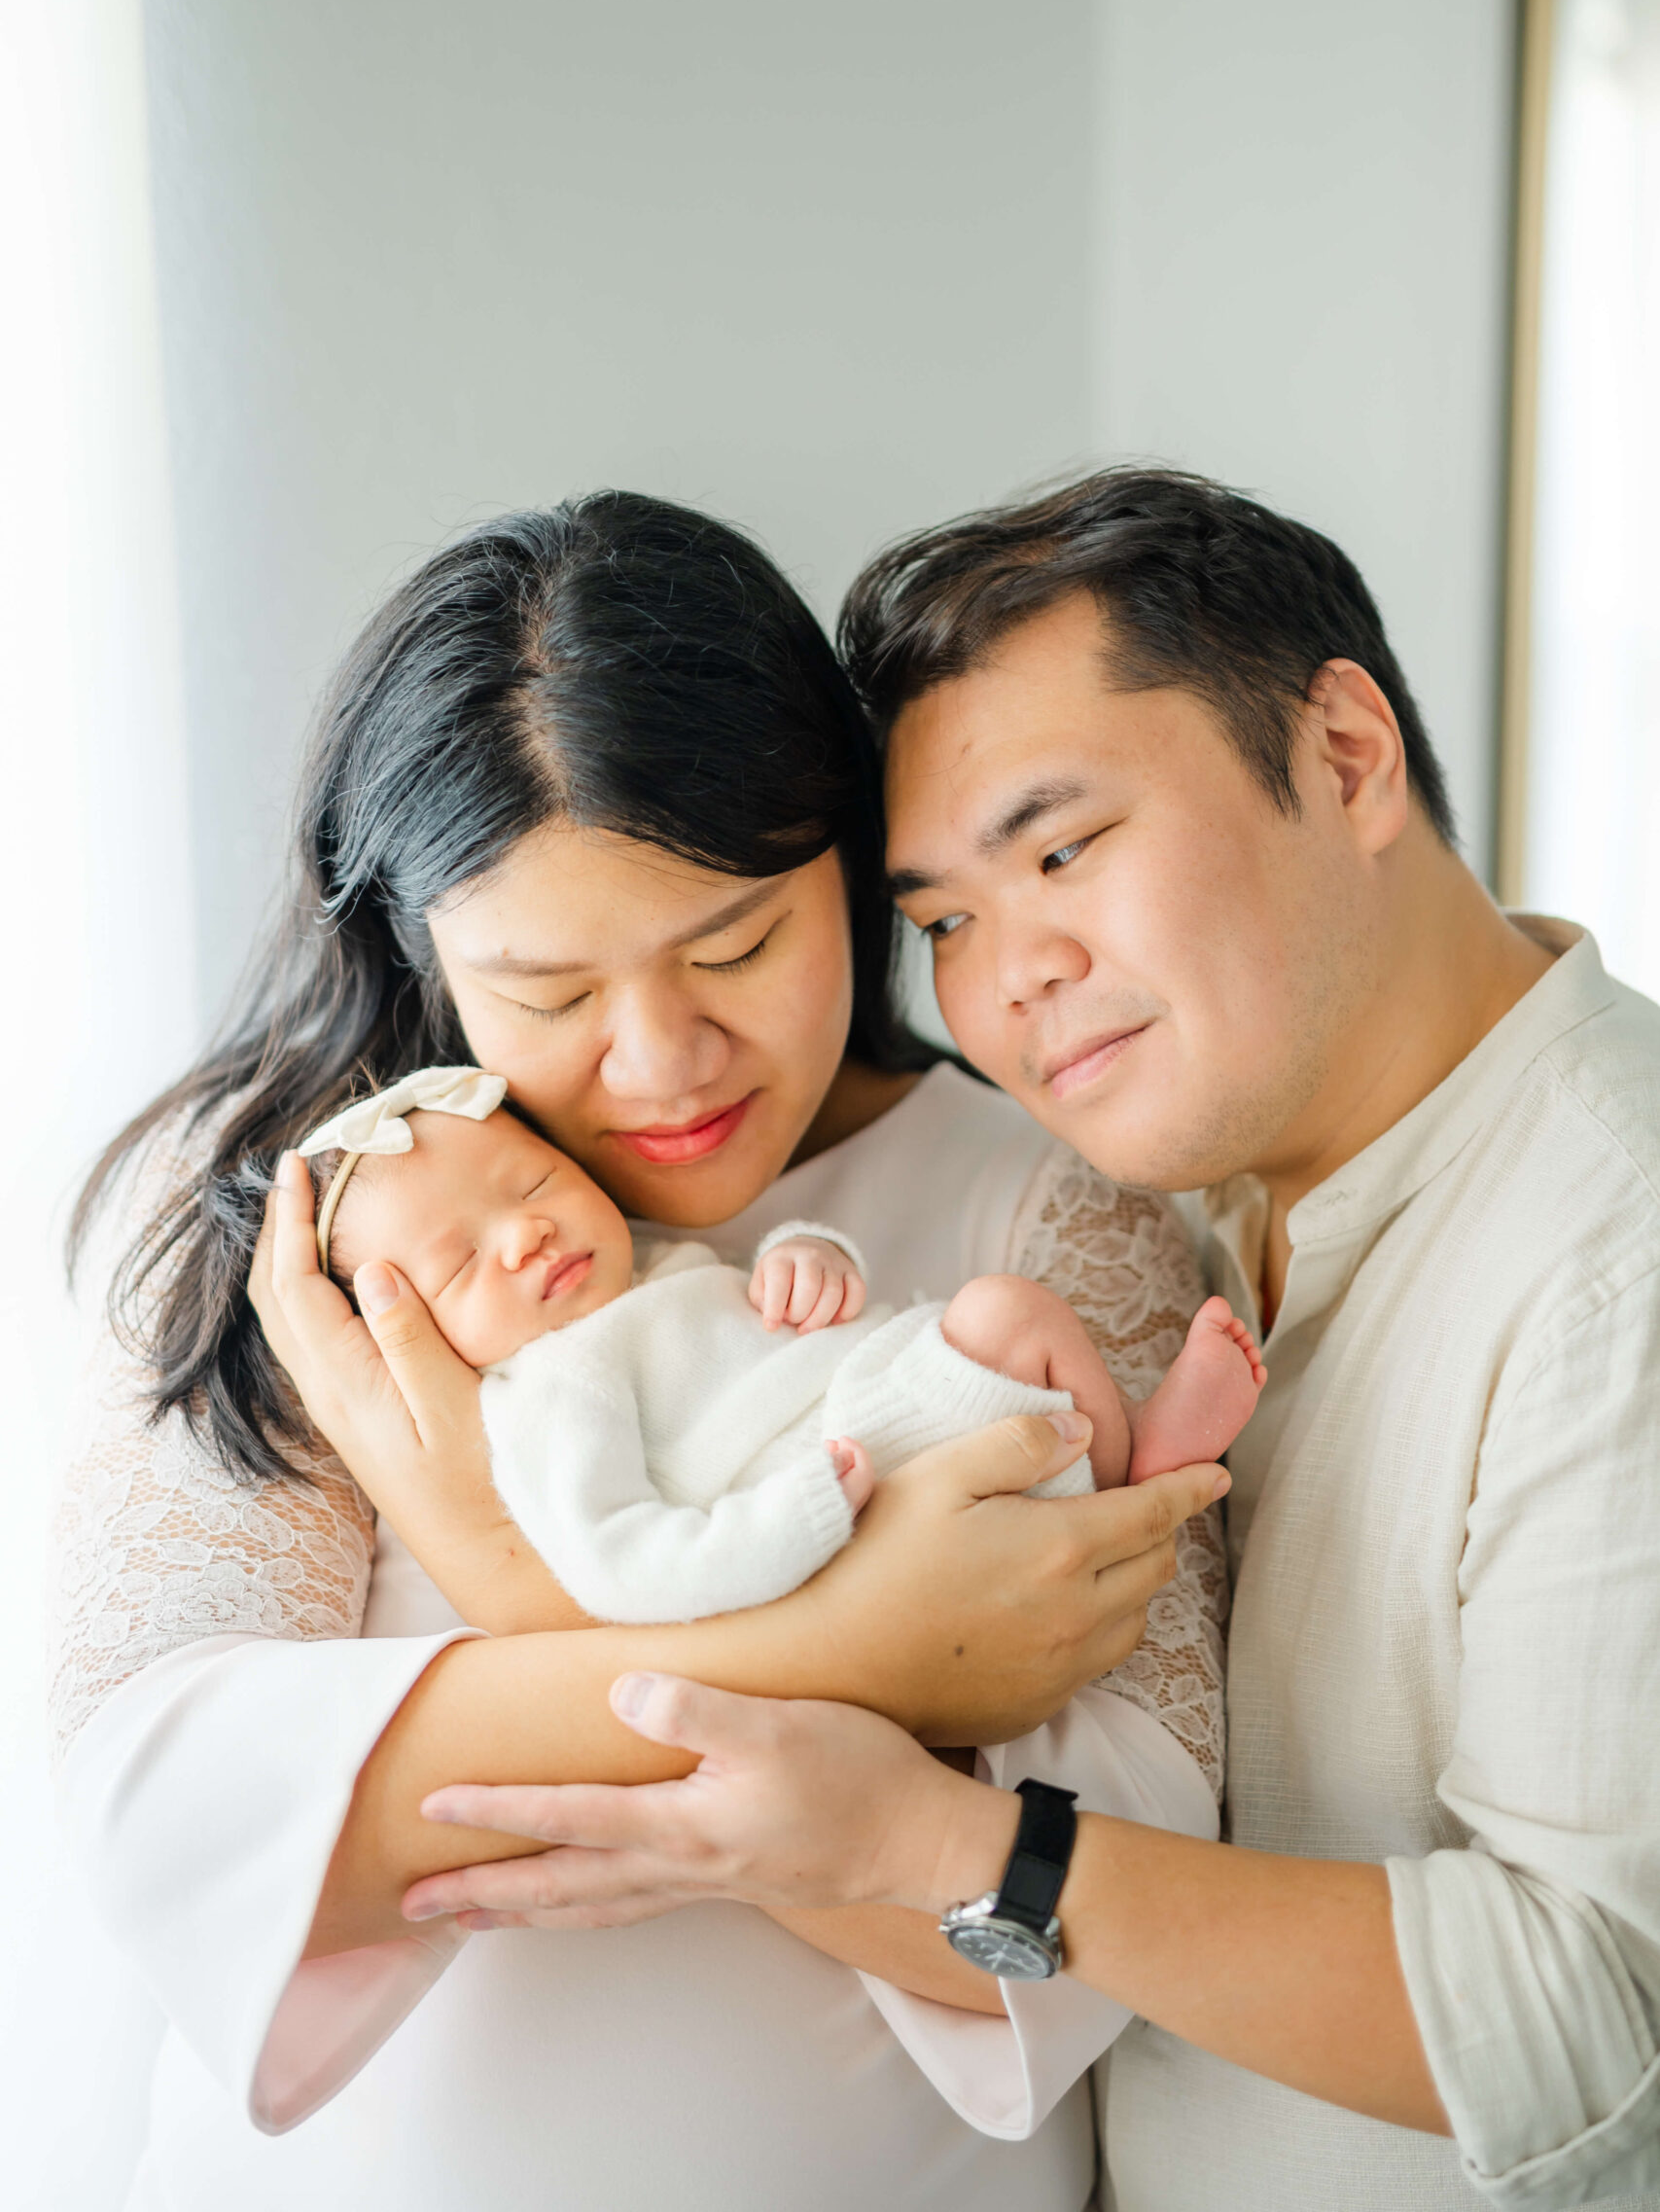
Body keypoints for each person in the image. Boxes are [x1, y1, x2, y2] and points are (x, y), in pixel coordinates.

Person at [406, 471, 1660, 2212]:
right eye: (943, 922)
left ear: (1344, 755)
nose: (1007, 981)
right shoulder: (1201, 1196)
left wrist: (949, 1846)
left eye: (1060, 850)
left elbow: (1597, 2021)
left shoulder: (1612, 1247)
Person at [51, 491, 1228, 2212]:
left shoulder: (1050, 1212)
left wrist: (506, 1589)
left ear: (851, 863)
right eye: (547, 992)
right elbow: (179, 1810)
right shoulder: (324, 1223)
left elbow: (1103, 1909)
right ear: (419, 946)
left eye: (734, 945)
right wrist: (865, 1654)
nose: (664, 1060)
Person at [290, 1066, 1263, 1623]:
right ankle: (1130, 1463)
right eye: (461, 1263)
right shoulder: (547, 1389)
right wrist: (792, 1516)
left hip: (867, 1401)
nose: (524, 1233)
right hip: (833, 1483)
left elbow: (759, 1320)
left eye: (533, 1183)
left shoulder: (649, 1269)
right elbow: (617, 1559)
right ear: (411, 1337)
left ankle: (1127, 1447)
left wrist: (807, 1257)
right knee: (1006, 1315)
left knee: (1014, 1318)